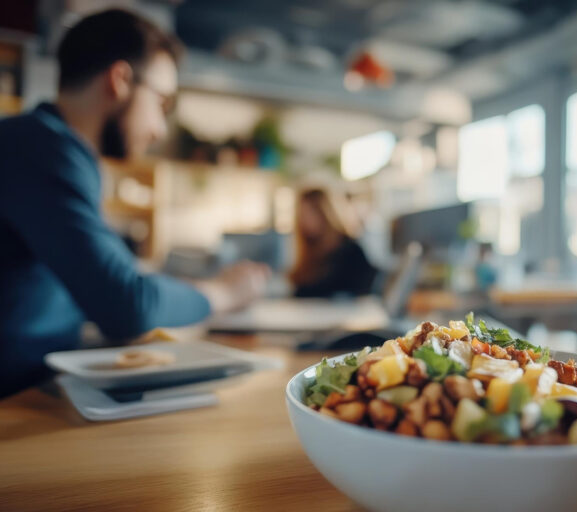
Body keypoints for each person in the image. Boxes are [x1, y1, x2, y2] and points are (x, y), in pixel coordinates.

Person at [0, 9, 267, 397]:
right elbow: (128, 306)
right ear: (120, 80)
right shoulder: (39, 150)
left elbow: (109, 284)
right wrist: (225, 293)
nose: (159, 129)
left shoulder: (48, 149)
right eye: (162, 102)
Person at [288, 188, 377, 298]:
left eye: (310, 212)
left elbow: (363, 290)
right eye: (302, 214)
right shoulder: (309, 251)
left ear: (325, 213)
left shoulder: (350, 250)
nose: (305, 220)